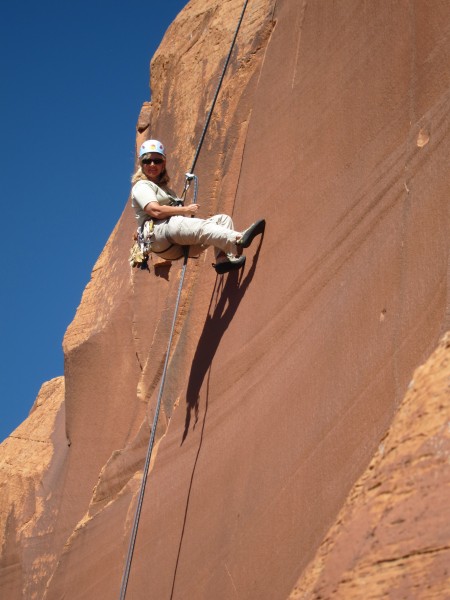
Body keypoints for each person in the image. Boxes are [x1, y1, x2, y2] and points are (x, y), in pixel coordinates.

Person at [131, 139, 265, 274]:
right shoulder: (141, 185)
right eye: (147, 161)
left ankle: (223, 260)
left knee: (222, 221)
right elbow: (155, 210)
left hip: (176, 245)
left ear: (163, 163)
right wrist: (185, 209)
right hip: (160, 234)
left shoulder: (166, 190)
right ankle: (238, 239)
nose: (152, 164)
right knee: (200, 227)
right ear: (141, 164)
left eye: (157, 160)